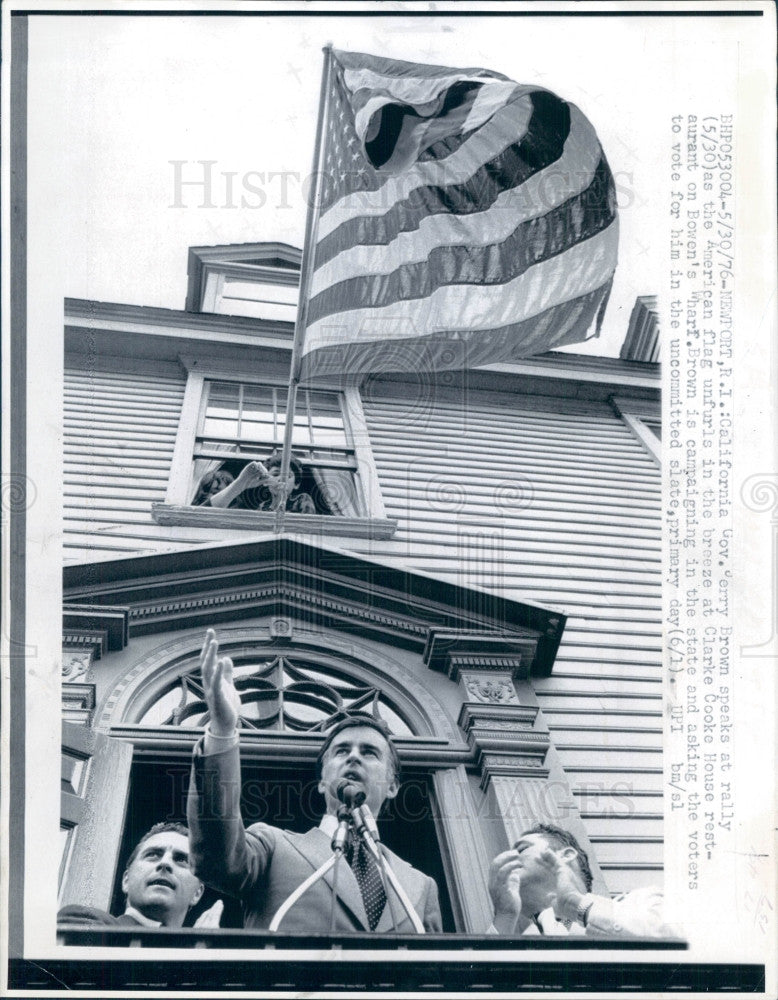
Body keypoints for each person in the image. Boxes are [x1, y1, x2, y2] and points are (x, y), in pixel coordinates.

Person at [187, 629, 442, 934]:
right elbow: (215, 860)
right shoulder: (274, 845)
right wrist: (222, 731)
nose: (353, 758)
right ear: (322, 781)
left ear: (392, 785)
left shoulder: (421, 885)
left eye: (370, 752)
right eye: (341, 751)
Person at [488, 823, 677, 938]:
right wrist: (504, 916)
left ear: (566, 855)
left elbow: (680, 941)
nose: (510, 855)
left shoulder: (642, 901)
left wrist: (576, 906)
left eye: (522, 849)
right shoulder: (519, 948)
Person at [58, 822, 222, 929]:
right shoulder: (85, 922)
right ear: (126, 880)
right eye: (153, 855)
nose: (165, 863)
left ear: (197, 893)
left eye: (181, 859)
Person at [194, 455, 316, 513]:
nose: (281, 479)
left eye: (288, 476)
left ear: (296, 484)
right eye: (275, 474)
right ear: (266, 481)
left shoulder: (302, 499)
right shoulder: (262, 506)